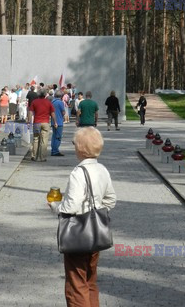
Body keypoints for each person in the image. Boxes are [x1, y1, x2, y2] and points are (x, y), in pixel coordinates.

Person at [49, 127, 116, 306]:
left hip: (78, 236)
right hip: (96, 234)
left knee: (76, 285)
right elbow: (111, 199)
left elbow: (71, 206)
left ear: (80, 148)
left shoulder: (78, 173)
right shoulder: (103, 169)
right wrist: (98, 213)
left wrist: (55, 206)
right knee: (90, 281)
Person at [29, 88, 58, 162]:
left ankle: (34, 156)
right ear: (45, 95)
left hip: (36, 122)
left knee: (36, 139)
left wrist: (29, 122)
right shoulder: (48, 102)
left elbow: (30, 112)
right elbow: (52, 113)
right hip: (45, 122)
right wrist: (55, 122)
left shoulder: (34, 102)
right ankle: (42, 157)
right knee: (44, 141)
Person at [51, 90, 66, 156]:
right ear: (61, 96)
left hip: (53, 121)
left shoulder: (52, 102)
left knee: (54, 136)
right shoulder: (60, 102)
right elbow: (63, 112)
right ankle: (55, 151)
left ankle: (53, 149)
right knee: (58, 136)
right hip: (59, 121)